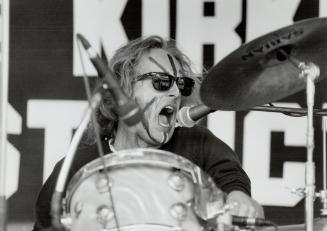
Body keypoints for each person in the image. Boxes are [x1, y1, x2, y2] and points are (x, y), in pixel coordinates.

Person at [33, 35, 264, 230]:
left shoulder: (198, 144)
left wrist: (237, 196)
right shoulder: (79, 164)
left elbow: (231, 179)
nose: (175, 92)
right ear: (123, 87)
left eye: (181, 85)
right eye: (162, 82)